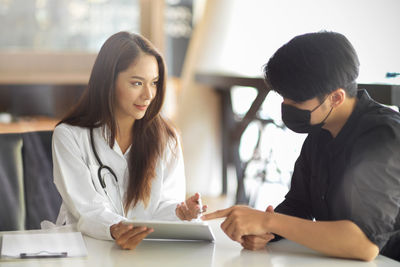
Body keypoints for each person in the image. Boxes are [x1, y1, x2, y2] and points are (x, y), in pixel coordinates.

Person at [202, 31, 400, 261]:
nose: (286, 105)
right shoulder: (322, 130)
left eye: (296, 100)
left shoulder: (383, 136)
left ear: (336, 98)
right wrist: (266, 232)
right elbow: (299, 205)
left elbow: (364, 245)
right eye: (284, 97)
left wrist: (268, 221)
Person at [52, 31, 206, 250]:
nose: (149, 95)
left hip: (140, 252)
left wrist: (181, 212)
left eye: (154, 83)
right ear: (108, 81)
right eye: (136, 83)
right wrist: (116, 229)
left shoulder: (167, 139)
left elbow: (161, 205)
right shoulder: (69, 136)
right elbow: (85, 209)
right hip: (85, 250)